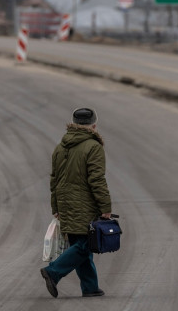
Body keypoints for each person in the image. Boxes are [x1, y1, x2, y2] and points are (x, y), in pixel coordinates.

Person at [40, 107, 112, 298]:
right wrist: (105, 207)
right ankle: (53, 272)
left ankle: (90, 287)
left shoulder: (60, 146)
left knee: (80, 244)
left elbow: (54, 179)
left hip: (65, 202)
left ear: (72, 124)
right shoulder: (93, 147)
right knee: (86, 244)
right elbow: (96, 180)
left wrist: (55, 206)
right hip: (84, 204)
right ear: (94, 126)